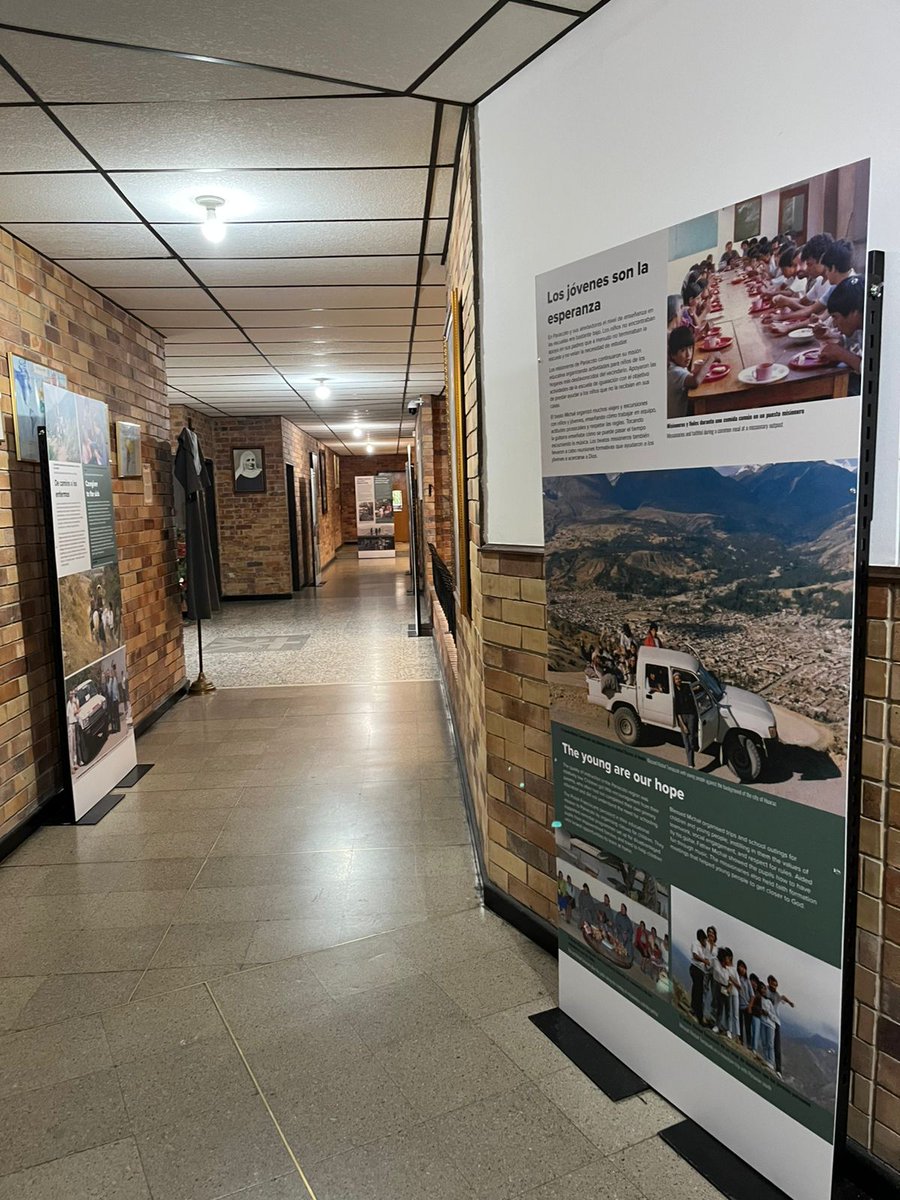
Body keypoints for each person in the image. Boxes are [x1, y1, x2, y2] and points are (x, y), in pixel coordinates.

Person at [819, 274, 865, 379]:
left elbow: (876, 373)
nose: (834, 324)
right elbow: (851, 341)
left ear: (855, 312)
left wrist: (841, 354)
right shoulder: (858, 325)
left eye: (835, 317)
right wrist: (840, 343)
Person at [767, 975, 795, 1079]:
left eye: (776, 985)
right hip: (767, 1019)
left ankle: (778, 1069)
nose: (775, 987)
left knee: (776, 1045)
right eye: (773, 984)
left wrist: (790, 1002)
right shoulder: (765, 990)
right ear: (769, 982)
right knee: (768, 1042)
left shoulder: (776, 994)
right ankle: (768, 1061)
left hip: (776, 1021)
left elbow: (783, 997)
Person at [672, 670, 698, 767]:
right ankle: (690, 763)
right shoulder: (673, 691)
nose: (678, 680)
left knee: (691, 740)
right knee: (686, 741)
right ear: (674, 681)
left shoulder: (686, 687)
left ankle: (691, 763)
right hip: (682, 717)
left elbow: (693, 701)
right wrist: (683, 725)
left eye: (679, 678)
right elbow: (677, 711)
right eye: (676, 679)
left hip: (690, 715)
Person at [689, 929, 710, 1024]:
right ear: (701, 938)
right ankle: (695, 1012)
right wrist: (704, 961)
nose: (705, 941)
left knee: (698, 990)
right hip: (695, 968)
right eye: (704, 939)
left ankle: (694, 1010)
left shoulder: (703, 947)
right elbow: (695, 955)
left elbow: (705, 958)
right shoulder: (696, 944)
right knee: (698, 990)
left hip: (701, 971)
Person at [737, 959, 754, 1047]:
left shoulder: (747, 981)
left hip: (747, 1006)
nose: (743, 969)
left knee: (748, 1027)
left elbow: (752, 995)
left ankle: (749, 1045)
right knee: (739, 1025)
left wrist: (750, 1006)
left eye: (744, 968)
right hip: (738, 1006)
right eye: (741, 967)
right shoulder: (736, 978)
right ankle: (740, 1042)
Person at [66, 689, 80, 772]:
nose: (71, 695)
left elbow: (77, 711)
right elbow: (68, 717)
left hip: (74, 724)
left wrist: (75, 703)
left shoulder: (74, 703)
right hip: (70, 726)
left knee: (74, 745)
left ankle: (75, 763)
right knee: (70, 747)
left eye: (72, 694)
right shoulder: (68, 705)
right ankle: (71, 766)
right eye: (70, 694)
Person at [108, 664, 121, 733]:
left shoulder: (114, 680)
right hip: (113, 700)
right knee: (114, 715)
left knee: (115, 714)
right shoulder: (112, 681)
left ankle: (117, 728)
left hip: (114, 700)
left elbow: (111, 691)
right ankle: (116, 727)